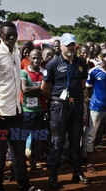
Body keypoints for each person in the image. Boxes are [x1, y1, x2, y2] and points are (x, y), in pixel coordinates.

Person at [0, 22, 41, 191]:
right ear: (0, 36)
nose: (12, 38)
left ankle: (23, 184)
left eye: (14, 35)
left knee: (19, 152)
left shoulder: (15, 52)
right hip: (0, 112)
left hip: (16, 110)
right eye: (8, 35)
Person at [41, 33, 89, 188]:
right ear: (61, 46)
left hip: (76, 105)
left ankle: (77, 171)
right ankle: (53, 175)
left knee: (76, 140)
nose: (70, 48)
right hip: (59, 107)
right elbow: (45, 87)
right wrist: (58, 99)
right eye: (67, 45)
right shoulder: (53, 64)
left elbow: (82, 83)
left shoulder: (81, 63)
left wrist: (73, 98)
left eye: (72, 45)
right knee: (57, 140)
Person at [21, 49, 47, 174]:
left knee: (38, 140)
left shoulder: (44, 73)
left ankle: (34, 165)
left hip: (40, 111)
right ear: (29, 58)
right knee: (22, 138)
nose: (36, 60)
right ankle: (20, 166)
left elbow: (48, 90)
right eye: (33, 58)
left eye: (38, 58)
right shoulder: (23, 73)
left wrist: (38, 89)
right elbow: (25, 89)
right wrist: (41, 88)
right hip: (26, 112)